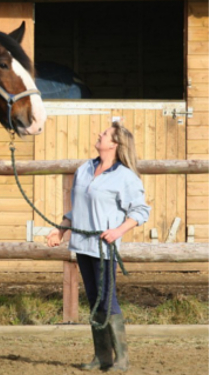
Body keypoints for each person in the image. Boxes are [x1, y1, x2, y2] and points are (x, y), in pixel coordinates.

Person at [46, 121, 150, 372]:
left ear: (114, 144)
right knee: (94, 300)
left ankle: (122, 359)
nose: (99, 135)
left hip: (104, 248)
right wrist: (61, 229)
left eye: (104, 134)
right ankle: (102, 357)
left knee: (107, 300)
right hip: (82, 246)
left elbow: (140, 211)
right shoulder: (84, 169)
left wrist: (118, 231)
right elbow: (76, 209)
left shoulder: (124, 176)